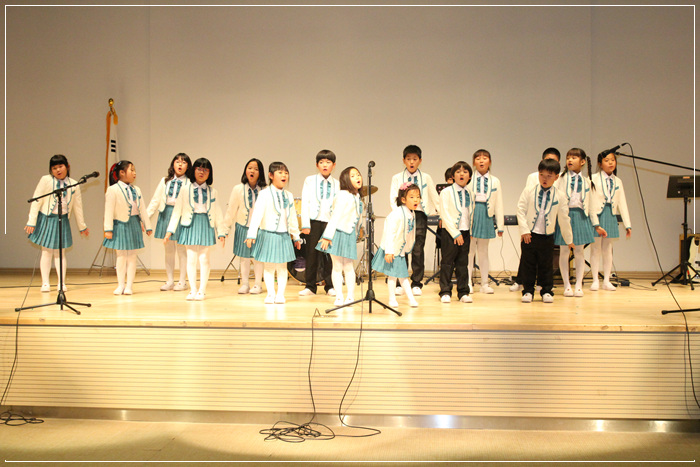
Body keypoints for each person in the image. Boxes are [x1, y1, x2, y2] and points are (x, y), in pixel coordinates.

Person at [25, 154, 89, 292]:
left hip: (63, 219)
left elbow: (78, 207)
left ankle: (61, 283)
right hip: (47, 218)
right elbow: (36, 200)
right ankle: (45, 283)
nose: (58, 170)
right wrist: (31, 222)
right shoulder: (45, 180)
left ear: (67, 166)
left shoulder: (74, 184)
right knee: (46, 251)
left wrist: (82, 226)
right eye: (54, 168)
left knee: (60, 253)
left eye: (60, 166)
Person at [165, 158, 225, 301]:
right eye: (199, 169)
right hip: (189, 224)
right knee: (191, 259)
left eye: (205, 170)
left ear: (209, 173)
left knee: (204, 259)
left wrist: (221, 232)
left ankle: (202, 290)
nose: (201, 172)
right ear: (194, 170)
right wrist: (170, 230)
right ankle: (192, 289)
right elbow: (177, 211)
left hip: (205, 224)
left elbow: (217, 212)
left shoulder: (213, 191)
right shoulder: (185, 189)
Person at [516, 158, 573, 303]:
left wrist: (569, 239)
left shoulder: (560, 195)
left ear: (556, 177)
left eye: (549, 176)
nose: (544, 179)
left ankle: (546, 291)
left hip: (547, 236)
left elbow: (564, 218)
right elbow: (520, 210)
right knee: (528, 264)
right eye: (542, 175)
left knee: (546, 264)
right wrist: (524, 230)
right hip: (530, 235)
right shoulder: (529, 190)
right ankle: (528, 291)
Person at [246, 161, 302, 304]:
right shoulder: (264, 194)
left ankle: (280, 295)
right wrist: (251, 234)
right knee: (269, 267)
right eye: (280, 172)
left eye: (286, 173)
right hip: (268, 234)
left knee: (282, 267)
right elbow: (257, 215)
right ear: (271, 175)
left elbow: (292, 217)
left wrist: (296, 236)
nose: (284, 175)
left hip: (283, 235)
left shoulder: (289, 195)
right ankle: (271, 294)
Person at [554, 148, 607, 298]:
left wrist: (596, 225)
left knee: (579, 252)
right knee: (564, 251)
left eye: (574, 157)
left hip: (581, 217)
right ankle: (566, 285)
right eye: (568, 157)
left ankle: (578, 285)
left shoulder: (587, 182)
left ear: (582, 162)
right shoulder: (560, 179)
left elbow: (592, 206)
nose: (570, 160)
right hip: (565, 216)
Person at [388, 145, 440, 296]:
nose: (412, 162)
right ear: (403, 160)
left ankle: (417, 283)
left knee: (418, 249)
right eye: (409, 159)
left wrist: (441, 213)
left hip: (420, 214)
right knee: (401, 247)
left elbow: (434, 196)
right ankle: (400, 281)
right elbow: (393, 197)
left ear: (420, 161)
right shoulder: (397, 178)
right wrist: (398, 213)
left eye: (415, 159)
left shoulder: (426, 177)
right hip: (403, 214)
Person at [510, 148, 560, 292]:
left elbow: (562, 210)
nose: (545, 178)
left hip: (549, 227)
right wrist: (525, 229)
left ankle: (545, 288)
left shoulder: (560, 183)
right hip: (531, 228)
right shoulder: (532, 180)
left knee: (546, 261)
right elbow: (523, 206)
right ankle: (525, 287)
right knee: (528, 259)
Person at [103, 160, 152, 295]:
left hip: (134, 223)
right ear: (122, 173)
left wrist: (147, 225)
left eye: (134, 170)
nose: (134, 173)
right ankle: (120, 285)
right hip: (120, 224)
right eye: (132, 170)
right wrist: (108, 229)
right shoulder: (113, 190)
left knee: (132, 256)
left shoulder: (137, 190)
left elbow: (142, 208)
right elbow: (108, 211)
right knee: (121, 255)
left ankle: (129, 286)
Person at [316, 166, 364, 306]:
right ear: (346, 180)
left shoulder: (357, 196)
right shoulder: (343, 194)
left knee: (349, 266)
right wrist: (327, 236)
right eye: (353, 176)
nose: (357, 177)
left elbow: (358, 216)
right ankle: (339, 296)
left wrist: (359, 230)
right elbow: (335, 216)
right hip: (337, 233)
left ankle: (350, 296)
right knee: (337, 266)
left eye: (358, 175)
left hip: (349, 234)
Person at [147, 153, 192, 292]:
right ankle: (170, 281)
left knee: (182, 250)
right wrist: (145, 218)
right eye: (177, 161)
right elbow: (155, 200)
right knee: (168, 250)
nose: (180, 164)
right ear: (173, 164)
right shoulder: (165, 181)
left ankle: (182, 281)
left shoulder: (189, 182)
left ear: (188, 166)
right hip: (166, 214)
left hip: (181, 216)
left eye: (183, 162)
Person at [372, 182, 421, 308]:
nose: (416, 200)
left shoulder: (411, 213)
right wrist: (389, 251)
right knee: (398, 276)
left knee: (397, 276)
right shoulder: (396, 214)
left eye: (418, 197)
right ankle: (397, 299)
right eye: (412, 197)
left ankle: (402, 299)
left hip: (400, 250)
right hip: (393, 250)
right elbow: (390, 233)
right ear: (403, 199)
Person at [223, 158, 266, 295]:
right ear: (245, 171)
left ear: (260, 172)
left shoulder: (265, 190)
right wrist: (225, 229)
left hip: (259, 229)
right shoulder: (238, 189)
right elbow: (231, 210)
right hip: (243, 227)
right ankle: (245, 284)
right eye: (250, 168)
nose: (252, 171)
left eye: (256, 169)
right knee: (244, 258)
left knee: (258, 258)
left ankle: (258, 284)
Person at [298, 150, 339, 297]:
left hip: (329, 222)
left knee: (328, 255)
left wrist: (335, 225)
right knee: (311, 254)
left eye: (328, 162)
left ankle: (330, 286)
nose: (325, 165)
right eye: (321, 162)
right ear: (317, 165)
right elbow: (305, 202)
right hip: (313, 221)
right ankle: (310, 286)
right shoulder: (309, 180)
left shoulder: (337, 183)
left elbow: (338, 205)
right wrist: (305, 224)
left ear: (334, 165)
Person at [589, 150, 631, 291]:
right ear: (600, 164)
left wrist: (627, 224)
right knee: (595, 249)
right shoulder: (593, 178)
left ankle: (606, 280)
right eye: (607, 160)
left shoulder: (618, 181)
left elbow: (622, 203)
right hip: (597, 214)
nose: (610, 163)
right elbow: (590, 200)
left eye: (612, 160)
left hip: (610, 214)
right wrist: (594, 220)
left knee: (608, 249)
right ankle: (595, 280)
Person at [467, 149, 504, 294]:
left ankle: (484, 283)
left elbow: (499, 203)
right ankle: (467, 282)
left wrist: (500, 225)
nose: (481, 161)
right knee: (469, 252)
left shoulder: (495, 181)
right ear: (473, 163)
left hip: (486, 214)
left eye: (484, 158)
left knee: (483, 251)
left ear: (490, 162)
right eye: (478, 158)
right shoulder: (469, 179)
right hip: (472, 214)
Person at [438, 161, 473, 303]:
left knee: (463, 263)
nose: (461, 174)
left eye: (465, 172)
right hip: (450, 232)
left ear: (469, 176)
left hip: (465, 231)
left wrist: (470, 230)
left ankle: (463, 292)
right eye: (458, 172)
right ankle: (445, 291)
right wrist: (455, 233)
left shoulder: (470, 192)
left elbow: (470, 212)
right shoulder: (446, 192)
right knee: (447, 263)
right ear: (452, 176)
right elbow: (444, 214)